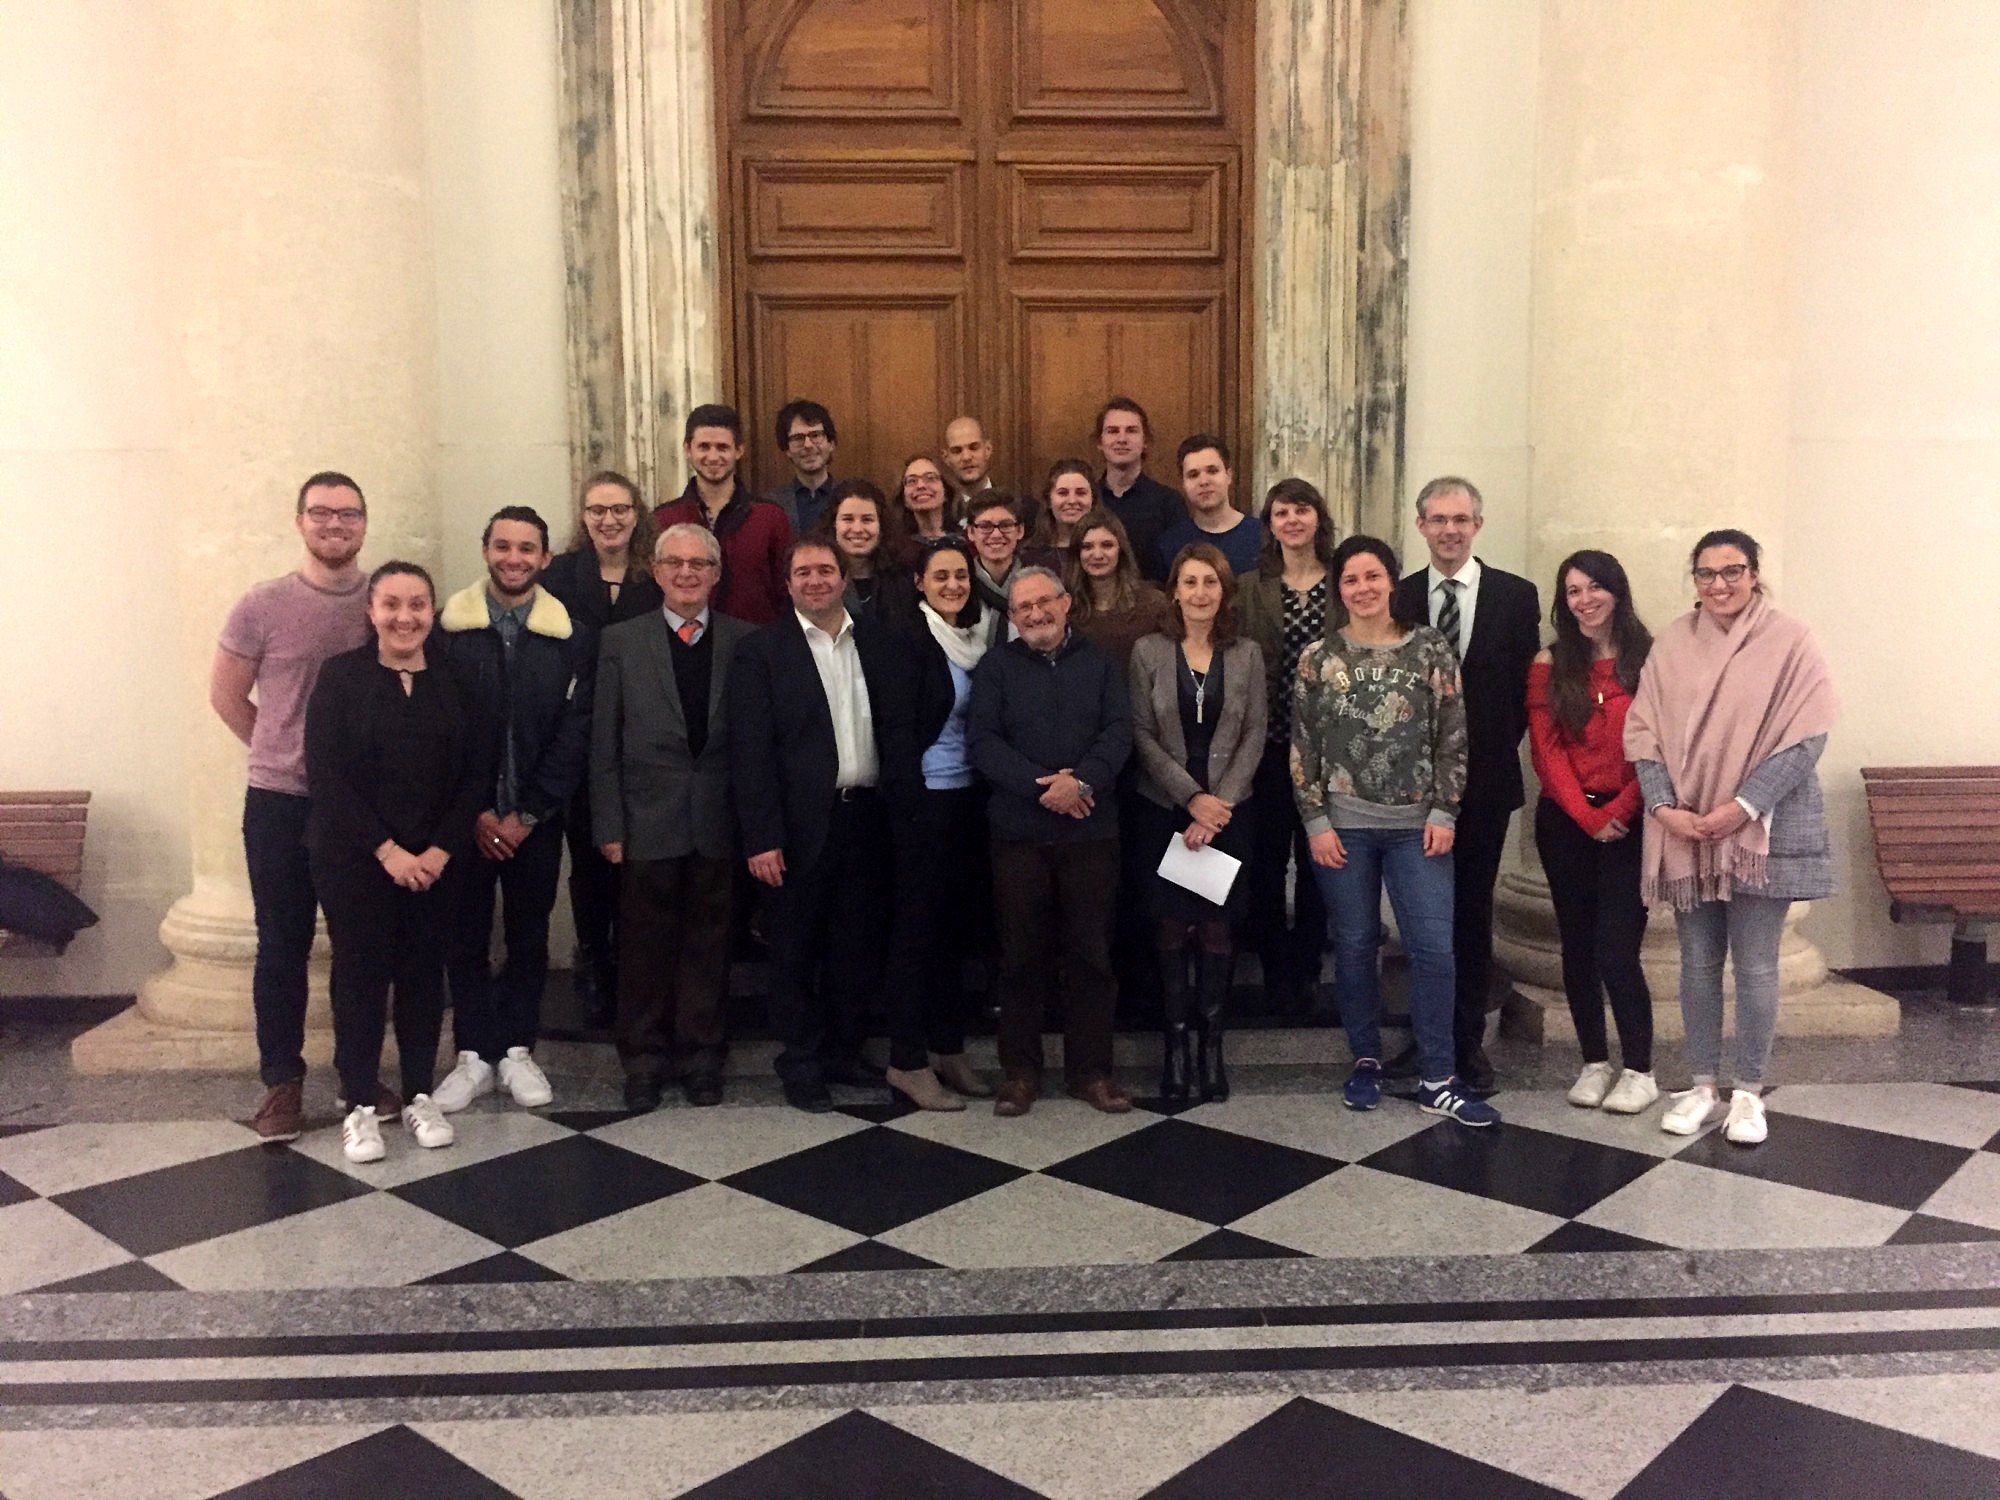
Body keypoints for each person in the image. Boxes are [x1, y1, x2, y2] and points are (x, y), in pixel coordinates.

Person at [1626, 529, 1837, 1146]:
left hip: (1758, 829)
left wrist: (1742, 806)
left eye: (1733, 571)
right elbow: (1644, 732)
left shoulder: (1791, 639)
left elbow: (1808, 735)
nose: (1720, 584)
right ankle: (1700, 1087)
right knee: (1695, 962)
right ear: (1693, 578)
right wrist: (1664, 806)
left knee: (1755, 966)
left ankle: (1748, 1093)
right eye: (1706, 573)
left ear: (1754, 573)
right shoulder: (1671, 641)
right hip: (1688, 826)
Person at [1294, 536, 1497, 1128]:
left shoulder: (1430, 649)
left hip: (1418, 828)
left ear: (1391, 581)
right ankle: (1365, 1058)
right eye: (1351, 579)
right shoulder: (1318, 658)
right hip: (1344, 827)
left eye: (1373, 576)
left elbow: (1454, 732)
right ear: (1339, 589)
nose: (1363, 588)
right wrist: (1315, 820)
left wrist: (1444, 810)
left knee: (1434, 947)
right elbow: (1303, 745)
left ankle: (1439, 1074)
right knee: (1356, 945)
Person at [305, 562, 494, 1163]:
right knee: (359, 977)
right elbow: (326, 776)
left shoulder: (458, 679)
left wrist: (437, 850)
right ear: (371, 610)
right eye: (391, 604)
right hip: (358, 858)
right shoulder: (340, 678)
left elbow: (476, 774)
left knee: (422, 976)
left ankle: (417, 1093)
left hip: (437, 861)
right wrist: (387, 852)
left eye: (417, 604)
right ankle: (359, 1103)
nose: (404, 617)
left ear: (433, 610)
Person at [213, 472, 375, 1141]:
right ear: (299, 520)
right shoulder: (263, 603)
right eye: (321, 513)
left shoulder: (384, 599)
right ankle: (282, 1083)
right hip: (281, 801)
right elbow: (226, 695)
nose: (335, 525)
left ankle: (359, 1080)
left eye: (348, 514)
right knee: (282, 945)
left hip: (362, 807)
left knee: (361, 947)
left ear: (364, 523)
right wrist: (278, 751)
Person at [730, 539, 919, 1112]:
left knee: (855, 948)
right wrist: (762, 836)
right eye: (803, 572)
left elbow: (900, 726)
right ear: (787, 583)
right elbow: (751, 752)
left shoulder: (877, 643)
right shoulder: (760, 651)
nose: (816, 580)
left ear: (844, 580)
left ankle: (843, 1051)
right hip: (795, 828)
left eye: (826, 570)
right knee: (794, 950)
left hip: (866, 818)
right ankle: (801, 1062)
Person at [429, 506, 590, 1116]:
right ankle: (472, 1054)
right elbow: (441, 730)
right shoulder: (447, 631)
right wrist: (474, 811)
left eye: (527, 548)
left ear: (545, 558)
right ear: (486, 550)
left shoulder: (569, 634)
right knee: (464, 938)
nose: (514, 558)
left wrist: (527, 814)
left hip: (535, 822)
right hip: (465, 820)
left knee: (528, 938)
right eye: (503, 546)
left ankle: (519, 1048)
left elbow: (575, 733)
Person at [592, 524, 755, 1109]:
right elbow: (603, 741)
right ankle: (643, 1058)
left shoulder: (745, 642)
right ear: (656, 572)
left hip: (717, 818)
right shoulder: (620, 642)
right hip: (645, 820)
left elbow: (755, 745)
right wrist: (608, 823)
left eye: (700, 564)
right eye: (675, 564)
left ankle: (702, 1056)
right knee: (643, 945)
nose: (687, 573)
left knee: (711, 944)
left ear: (716, 574)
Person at [1389, 476, 1540, 1092]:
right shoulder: (1399, 598)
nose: (1449, 530)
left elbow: (1526, 694)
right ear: (1420, 525)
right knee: (1423, 921)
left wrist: (1487, 758)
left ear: (1477, 524)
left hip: (1484, 788)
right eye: (1437, 519)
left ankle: (1466, 1044)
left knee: (1470, 916)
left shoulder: (1515, 595)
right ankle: (1426, 1039)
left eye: (1460, 519)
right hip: (1408, 791)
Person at [968, 566, 1134, 1117]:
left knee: (1092, 955)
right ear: (1012, 618)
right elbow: (983, 742)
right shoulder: (995, 668)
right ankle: (1020, 1072)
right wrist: (1045, 789)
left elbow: (1120, 732)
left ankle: (1092, 1072)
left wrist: (1081, 782)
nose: (1035, 614)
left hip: (1092, 832)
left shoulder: (1102, 663)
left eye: (1044, 603)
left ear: (1066, 603)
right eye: (1023, 609)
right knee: (1019, 957)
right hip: (1019, 834)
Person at [1129, 544, 1265, 1101]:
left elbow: (1256, 733)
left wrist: (1217, 805)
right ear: (1175, 591)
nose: (1201, 593)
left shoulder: (1248, 653)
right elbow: (1140, 733)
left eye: (1210, 582)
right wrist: (1190, 799)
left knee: (1216, 927)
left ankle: (1212, 1049)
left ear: (1224, 590)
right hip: (1163, 810)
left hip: (1230, 814)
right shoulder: (1148, 651)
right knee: (1169, 925)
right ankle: (1175, 1050)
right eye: (1190, 582)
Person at [1529, 550, 1658, 1115]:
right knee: (1577, 945)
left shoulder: (1652, 661)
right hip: (1565, 821)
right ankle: (1593, 1062)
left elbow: (1660, 746)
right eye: (1573, 590)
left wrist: (1623, 809)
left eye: (1594, 587)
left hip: (1632, 821)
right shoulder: (1548, 661)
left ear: (1616, 591)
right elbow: (1545, 748)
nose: (1585, 599)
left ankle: (1640, 1070)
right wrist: (1585, 815)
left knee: (1616, 948)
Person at [541, 470, 664, 1027]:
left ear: (636, 514)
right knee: (589, 860)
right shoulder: (561, 576)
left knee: (640, 861)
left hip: (646, 734)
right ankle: (595, 961)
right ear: (583, 517)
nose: (608, 520)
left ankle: (638, 968)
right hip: (582, 734)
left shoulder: (657, 574)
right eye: (597, 510)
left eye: (619, 509)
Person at [881, 535, 996, 1110]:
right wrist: (909, 808)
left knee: (954, 933)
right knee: (916, 935)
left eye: (961, 576)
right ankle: (907, 1059)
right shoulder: (908, 639)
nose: (953, 585)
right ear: (919, 584)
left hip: (968, 800)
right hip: (923, 803)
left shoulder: (979, 638)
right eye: (941, 576)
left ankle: (949, 1048)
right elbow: (896, 734)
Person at [1068, 508, 1176, 1025]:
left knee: (1147, 871)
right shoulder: (1070, 609)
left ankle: (1149, 985)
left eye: (1106, 545)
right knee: (1099, 878)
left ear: (1122, 549)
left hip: (1149, 757)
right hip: (1090, 758)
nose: (1096, 554)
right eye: (1088, 546)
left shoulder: (1154, 604)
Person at [1238, 478, 1339, 1015]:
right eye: (1282, 512)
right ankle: (1275, 971)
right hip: (1269, 745)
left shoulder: (1342, 585)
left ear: (1318, 519)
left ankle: (1308, 968)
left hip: (1327, 751)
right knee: (1269, 861)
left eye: (1302, 510)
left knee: (1322, 864)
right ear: (1270, 524)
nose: (1293, 520)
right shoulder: (1249, 586)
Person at [653, 404, 793, 624]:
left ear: (738, 450)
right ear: (688, 449)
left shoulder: (770, 518)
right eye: (704, 447)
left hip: (755, 647)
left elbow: (787, 591)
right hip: (683, 645)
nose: (713, 456)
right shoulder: (663, 519)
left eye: (722, 447)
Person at [1095, 396, 1179, 583]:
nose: (1122, 439)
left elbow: (1176, 568)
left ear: (1145, 441)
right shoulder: (1087, 500)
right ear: (1100, 442)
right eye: (1112, 431)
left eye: (1131, 431)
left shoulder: (1168, 502)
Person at [1157, 435, 1264, 580]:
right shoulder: (1170, 543)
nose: (1204, 481)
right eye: (1193, 475)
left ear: (1229, 475)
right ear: (1183, 483)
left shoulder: (1262, 536)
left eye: (1212, 471)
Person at [810, 478, 916, 622]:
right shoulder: (816, 581)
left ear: (881, 526)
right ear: (833, 524)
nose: (858, 529)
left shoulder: (904, 581)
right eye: (848, 519)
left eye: (867, 520)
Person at [966, 493, 1035, 646]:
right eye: (985, 526)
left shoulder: (1037, 586)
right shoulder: (961, 586)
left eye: (1006, 525)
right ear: (970, 532)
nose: (996, 534)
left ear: (1020, 530)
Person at [769, 399, 839, 535]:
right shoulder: (771, 504)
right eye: (798, 438)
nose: (808, 445)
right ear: (787, 449)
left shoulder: (851, 498)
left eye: (815, 435)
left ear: (831, 443)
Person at [1028, 458, 1097, 557]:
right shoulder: (1030, 554)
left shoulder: (1106, 551)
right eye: (1063, 493)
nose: (1072, 501)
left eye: (1081, 493)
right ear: (1049, 500)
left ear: (1093, 499)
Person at [893, 452, 958, 543]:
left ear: (946, 491)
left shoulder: (968, 540)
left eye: (930, 478)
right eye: (912, 481)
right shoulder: (895, 547)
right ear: (903, 498)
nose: (920, 485)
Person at [942, 415, 998, 504]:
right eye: (957, 451)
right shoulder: (939, 513)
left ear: (988, 449)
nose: (966, 457)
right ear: (946, 458)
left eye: (974, 447)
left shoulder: (1018, 509)